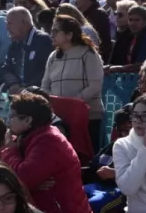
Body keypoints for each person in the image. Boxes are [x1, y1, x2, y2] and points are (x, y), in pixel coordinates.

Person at [0, 91, 94, 213]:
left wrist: (9, 151)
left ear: (28, 121)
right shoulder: (28, 137)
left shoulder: (48, 141)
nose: (8, 120)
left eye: (12, 116)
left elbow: (23, 178)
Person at [41, 16, 105, 144]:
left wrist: (73, 104)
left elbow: (95, 86)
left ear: (69, 35)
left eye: (55, 31)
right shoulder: (53, 56)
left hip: (88, 117)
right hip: (59, 118)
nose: (51, 34)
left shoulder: (88, 53)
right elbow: (45, 86)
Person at [0, 7, 52, 96]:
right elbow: (6, 68)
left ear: (24, 23)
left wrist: (26, 88)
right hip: (18, 95)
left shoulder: (43, 40)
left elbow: (45, 71)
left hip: (37, 95)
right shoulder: (15, 43)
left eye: (10, 23)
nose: (7, 27)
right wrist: (13, 83)